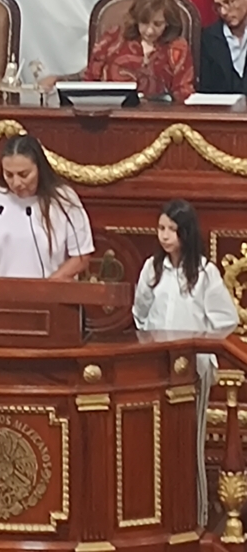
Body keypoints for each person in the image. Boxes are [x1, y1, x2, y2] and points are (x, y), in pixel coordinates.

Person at [133, 200, 238, 526]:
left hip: (193, 367)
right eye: (161, 228)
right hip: (156, 366)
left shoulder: (204, 273)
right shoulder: (152, 268)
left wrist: (198, 343)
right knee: (156, 442)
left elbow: (226, 319)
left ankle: (196, 517)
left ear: (186, 233)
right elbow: (140, 312)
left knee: (190, 441)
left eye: (172, 230)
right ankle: (159, 516)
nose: (165, 236)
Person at [0, 134, 93, 279]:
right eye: (9, 175)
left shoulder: (63, 198)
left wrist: (49, 286)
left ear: (39, 169)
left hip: (51, 290)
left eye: (24, 174)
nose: (16, 183)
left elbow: (81, 255)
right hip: (0, 292)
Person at [43, 0, 194, 101]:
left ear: (168, 23)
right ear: (136, 19)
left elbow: (183, 93)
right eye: (144, 23)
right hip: (110, 115)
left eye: (157, 24)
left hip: (157, 118)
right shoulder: (113, 38)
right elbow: (90, 78)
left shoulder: (177, 47)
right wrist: (60, 80)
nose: (149, 31)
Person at [200, 0, 247, 93]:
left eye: (228, 3)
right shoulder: (208, 39)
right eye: (218, 6)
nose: (223, 12)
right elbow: (205, 88)